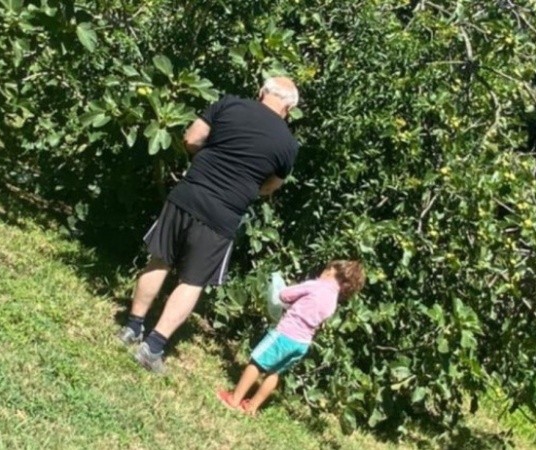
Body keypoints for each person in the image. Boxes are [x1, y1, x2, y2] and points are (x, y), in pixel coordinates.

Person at [117, 77, 300, 373]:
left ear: (262, 92)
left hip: (189, 193)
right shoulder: (288, 145)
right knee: (192, 281)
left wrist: (208, 161)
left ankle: (131, 327)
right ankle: (152, 347)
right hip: (224, 213)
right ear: (288, 108)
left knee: (159, 260)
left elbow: (191, 138)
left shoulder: (229, 104)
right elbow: (269, 187)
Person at [216, 260, 365, 415]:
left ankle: (234, 399)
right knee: (274, 373)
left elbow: (285, 295)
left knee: (257, 362)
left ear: (332, 271)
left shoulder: (317, 285)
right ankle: (252, 406)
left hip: (286, 334)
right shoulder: (333, 302)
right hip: (302, 343)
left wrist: (282, 292)